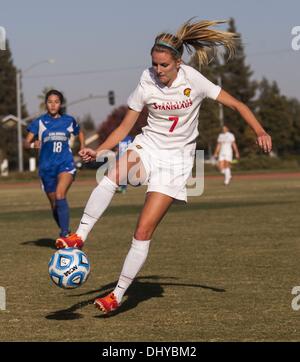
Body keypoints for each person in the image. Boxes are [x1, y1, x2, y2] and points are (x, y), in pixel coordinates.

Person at [56, 19, 272, 314]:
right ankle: (79, 235)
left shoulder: (194, 80)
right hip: (148, 148)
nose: (157, 70)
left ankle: (117, 295)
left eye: (163, 65)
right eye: (154, 64)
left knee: (142, 231)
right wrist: (99, 150)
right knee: (113, 174)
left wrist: (260, 130)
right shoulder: (146, 79)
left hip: (177, 163)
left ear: (178, 63)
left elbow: (237, 105)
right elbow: (125, 127)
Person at [25, 89, 85, 239]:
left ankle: (64, 235)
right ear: (46, 104)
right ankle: (66, 232)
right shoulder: (39, 122)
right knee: (54, 205)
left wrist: (82, 147)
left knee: (60, 195)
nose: (53, 105)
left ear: (61, 104)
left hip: (65, 164)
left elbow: (80, 132)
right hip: (46, 169)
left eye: (56, 102)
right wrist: (33, 145)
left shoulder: (68, 120)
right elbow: (25, 143)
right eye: (50, 102)